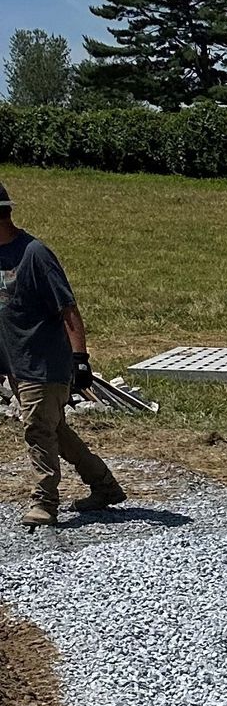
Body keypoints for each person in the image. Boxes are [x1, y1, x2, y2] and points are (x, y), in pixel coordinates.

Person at [0, 181, 125, 530]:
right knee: (57, 431)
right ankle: (105, 485)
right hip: (18, 365)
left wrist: (80, 358)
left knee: (38, 432)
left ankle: (44, 502)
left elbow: (68, 308)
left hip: (45, 364)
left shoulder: (34, 254)